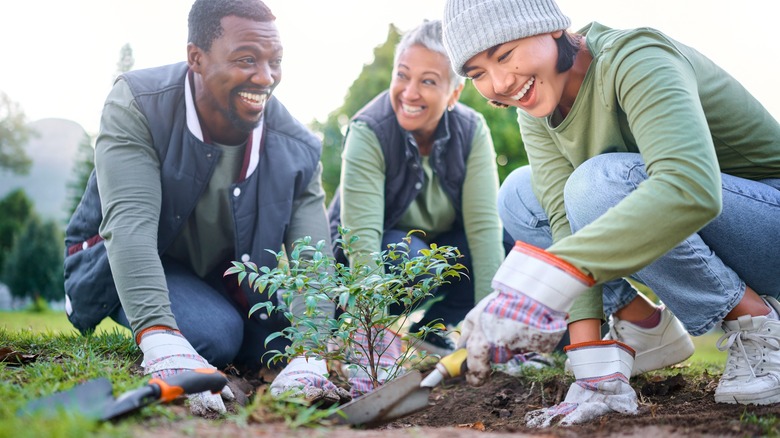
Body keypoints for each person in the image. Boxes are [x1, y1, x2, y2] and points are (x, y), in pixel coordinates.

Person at [441, 0, 780, 427]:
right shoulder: (538, 103)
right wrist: (591, 365)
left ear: (550, 28)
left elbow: (691, 188)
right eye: (478, 75)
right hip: (707, 233)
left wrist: (543, 282)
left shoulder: (636, 57)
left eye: (504, 55)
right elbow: (561, 225)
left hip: (767, 226)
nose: (500, 83)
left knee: (597, 185)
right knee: (521, 196)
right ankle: (643, 328)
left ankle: (758, 325)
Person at [63, 0, 351, 416]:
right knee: (216, 334)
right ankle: (143, 315)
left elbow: (313, 262)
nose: (266, 77)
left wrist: (309, 355)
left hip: (222, 277)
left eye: (275, 61)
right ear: (195, 57)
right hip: (132, 259)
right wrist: (161, 338)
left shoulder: (298, 147)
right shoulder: (138, 104)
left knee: (283, 340)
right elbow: (130, 228)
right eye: (246, 59)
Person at [327, 19, 509, 358]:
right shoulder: (369, 131)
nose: (409, 93)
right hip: (367, 266)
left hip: (434, 251)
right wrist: (373, 337)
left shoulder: (472, 131)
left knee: (507, 243)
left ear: (453, 93)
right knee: (408, 254)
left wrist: (489, 329)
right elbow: (361, 240)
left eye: (428, 81)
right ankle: (365, 331)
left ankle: (438, 330)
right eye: (402, 75)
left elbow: (484, 230)